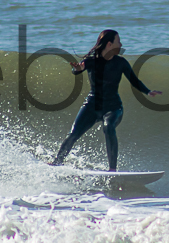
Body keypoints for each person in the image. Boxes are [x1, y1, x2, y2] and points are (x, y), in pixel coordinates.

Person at [51, 30, 162, 171]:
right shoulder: (91, 61)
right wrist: (77, 69)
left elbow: (134, 80)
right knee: (73, 134)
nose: (121, 45)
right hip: (92, 105)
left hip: (113, 107)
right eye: (118, 41)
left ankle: (112, 170)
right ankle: (57, 163)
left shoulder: (121, 63)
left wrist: (148, 91)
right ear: (109, 44)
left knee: (109, 127)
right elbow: (78, 69)